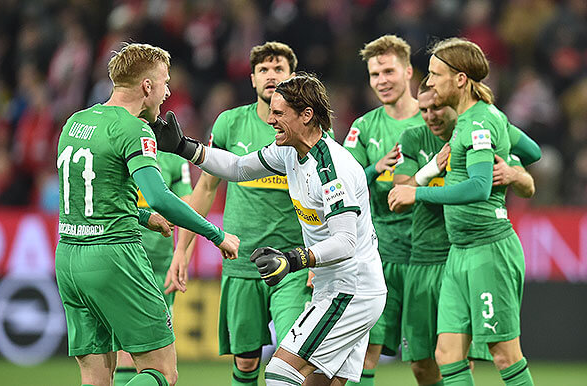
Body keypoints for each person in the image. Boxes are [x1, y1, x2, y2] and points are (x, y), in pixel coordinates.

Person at [153, 72, 387, 386]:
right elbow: (237, 168)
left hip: (351, 291)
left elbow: (345, 241)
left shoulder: (333, 170)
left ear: (306, 115)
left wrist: (293, 259)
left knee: (279, 373)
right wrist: (184, 147)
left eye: (279, 113)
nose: (270, 120)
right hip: (335, 288)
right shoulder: (291, 152)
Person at [55, 42, 239, 386]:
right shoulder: (133, 129)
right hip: (113, 257)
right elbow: (159, 196)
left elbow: (94, 196)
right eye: (165, 82)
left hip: (68, 259)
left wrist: (141, 216)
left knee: (95, 377)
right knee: (162, 373)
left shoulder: (75, 122)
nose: (168, 92)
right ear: (147, 86)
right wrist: (217, 235)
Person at [388, 37, 541, 386]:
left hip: (488, 250)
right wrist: (516, 169)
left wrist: (418, 193)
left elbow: (478, 187)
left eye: (435, 74)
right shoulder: (483, 118)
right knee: (447, 355)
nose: (428, 83)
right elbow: (531, 150)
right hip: (460, 251)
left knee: (504, 353)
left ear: (459, 79)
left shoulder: (479, 123)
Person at [178, 41, 312, 386]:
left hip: (292, 263)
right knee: (246, 361)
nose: (271, 75)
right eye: (263, 70)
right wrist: (183, 250)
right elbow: (205, 189)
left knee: (295, 355)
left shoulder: (305, 128)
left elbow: (324, 196)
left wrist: (320, 262)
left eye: (278, 69)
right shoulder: (229, 124)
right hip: (242, 260)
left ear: (291, 78)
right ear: (252, 79)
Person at [342, 34, 424, 386]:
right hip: (381, 252)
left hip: (428, 252)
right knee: (365, 353)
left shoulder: (434, 120)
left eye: (389, 71)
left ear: (408, 72)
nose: (382, 81)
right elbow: (345, 185)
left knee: (427, 361)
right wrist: (377, 167)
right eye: (375, 75)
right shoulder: (364, 127)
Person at [114, 151, 197, 386]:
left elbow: (188, 210)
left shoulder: (172, 159)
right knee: (123, 350)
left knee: (161, 360)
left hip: (160, 268)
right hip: (124, 262)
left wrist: (182, 259)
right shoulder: (119, 151)